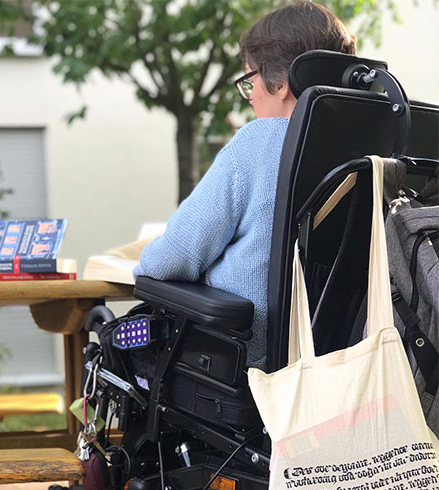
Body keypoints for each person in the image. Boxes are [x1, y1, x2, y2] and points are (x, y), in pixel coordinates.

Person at [134, 1, 356, 369]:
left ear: (281, 82)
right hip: (338, 361)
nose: (250, 94)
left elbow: (171, 259)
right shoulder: (368, 152)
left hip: (247, 362)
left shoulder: (258, 144)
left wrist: (142, 263)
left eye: (249, 79)